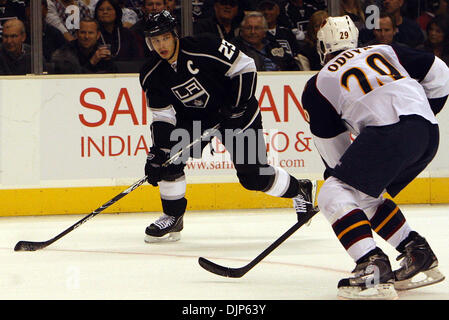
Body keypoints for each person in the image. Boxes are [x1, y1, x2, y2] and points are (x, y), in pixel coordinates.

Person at [301, 15, 448, 300]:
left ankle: (371, 266)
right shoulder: (384, 50)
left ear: (322, 48)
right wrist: (423, 112)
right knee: (365, 194)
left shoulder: (318, 84)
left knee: (334, 192)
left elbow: (336, 157)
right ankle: (416, 253)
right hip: (428, 134)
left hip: (389, 135)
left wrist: (337, 181)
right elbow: (440, 72)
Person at [139, 10, 315, 243]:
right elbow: (163, 116)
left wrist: (236, 106)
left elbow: (246, 67)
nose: (161, 45)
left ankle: (299, 189)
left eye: (165, 38)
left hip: (237, 111)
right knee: (168, 160)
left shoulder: (205, 45)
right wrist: (158, 151)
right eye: (155, 40)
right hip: (194, 119)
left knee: (254, 177)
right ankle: (173, 216)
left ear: (175, 35)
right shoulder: (151, 72)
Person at [232, 11, 301, 71]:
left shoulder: (273, 44)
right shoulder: (234, 48)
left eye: (257, 28)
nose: (252, 32)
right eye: (248, 28)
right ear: (242, 30)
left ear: (265, 31)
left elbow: (292, 66)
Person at [51, 18, 117, 73]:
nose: (86, 36)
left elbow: (114, 76)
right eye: (83, 32)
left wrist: (108, 61)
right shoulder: (65, 52)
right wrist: (92, 61)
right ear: (77, 34)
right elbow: (73, 79)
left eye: (91, 33)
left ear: (98, 35)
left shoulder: (102, 51)